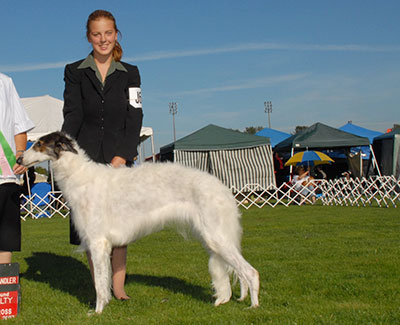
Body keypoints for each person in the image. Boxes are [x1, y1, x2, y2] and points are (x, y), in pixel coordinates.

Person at [61, 10, 143, 300]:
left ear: (116, 34)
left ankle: (118, 288)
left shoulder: (131, 73)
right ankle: (100, 288)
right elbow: (73, 114)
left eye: (108, 33)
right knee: (89, 229)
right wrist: (64, 148)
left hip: (120, 159)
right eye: (97, 34)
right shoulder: (75, 71)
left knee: (118, 228)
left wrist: (123, 156)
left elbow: (135, 118)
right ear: (89, 37)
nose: (103, 39)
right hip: (85, 160)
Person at [0, 72, 34, 264]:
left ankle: (4, 288)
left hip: (6, 176)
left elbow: (19, 124)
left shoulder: (5, 82)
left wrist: (21, 153)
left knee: (5, 240)